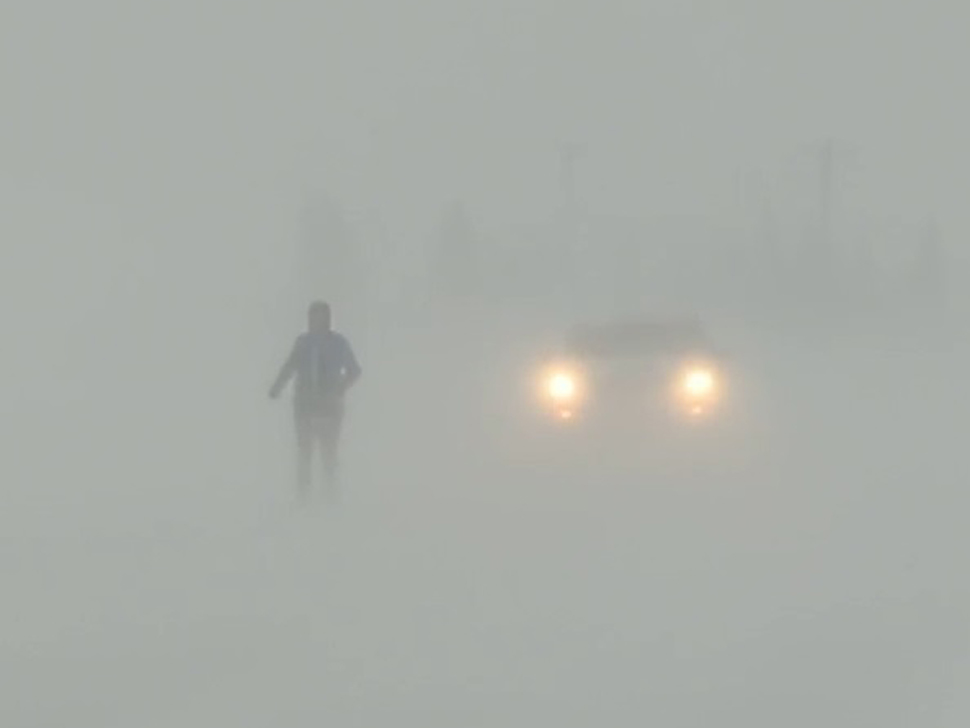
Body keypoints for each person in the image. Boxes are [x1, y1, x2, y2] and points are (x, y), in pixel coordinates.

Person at [269, 301, 361, 499]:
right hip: (304, 404)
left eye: (321, 316)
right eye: (313, 316)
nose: (317, 320)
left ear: (328, 318)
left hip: (330, 405)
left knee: (328, 451)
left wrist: (340, 387)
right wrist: (277, 387)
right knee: (305, 450)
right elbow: (290, 366)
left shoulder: (339, 343)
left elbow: (354, 370)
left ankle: (330, 494)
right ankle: (304, 496)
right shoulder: (303, 343)